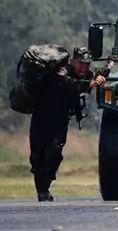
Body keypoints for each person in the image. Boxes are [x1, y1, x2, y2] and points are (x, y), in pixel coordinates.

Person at [29, 48, 109, 201]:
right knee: (37, 155)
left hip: (60, 120)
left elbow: (97, 75)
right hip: (41, 117)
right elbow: (68, 83)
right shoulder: (62, 71)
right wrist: (90, 83)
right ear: (73, 62)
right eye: (81, 64)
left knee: (54, 154)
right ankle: (42, 190)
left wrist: (105, 72)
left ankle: (43, 190)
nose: (84, 68)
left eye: (86, 64)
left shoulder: (86, 75)